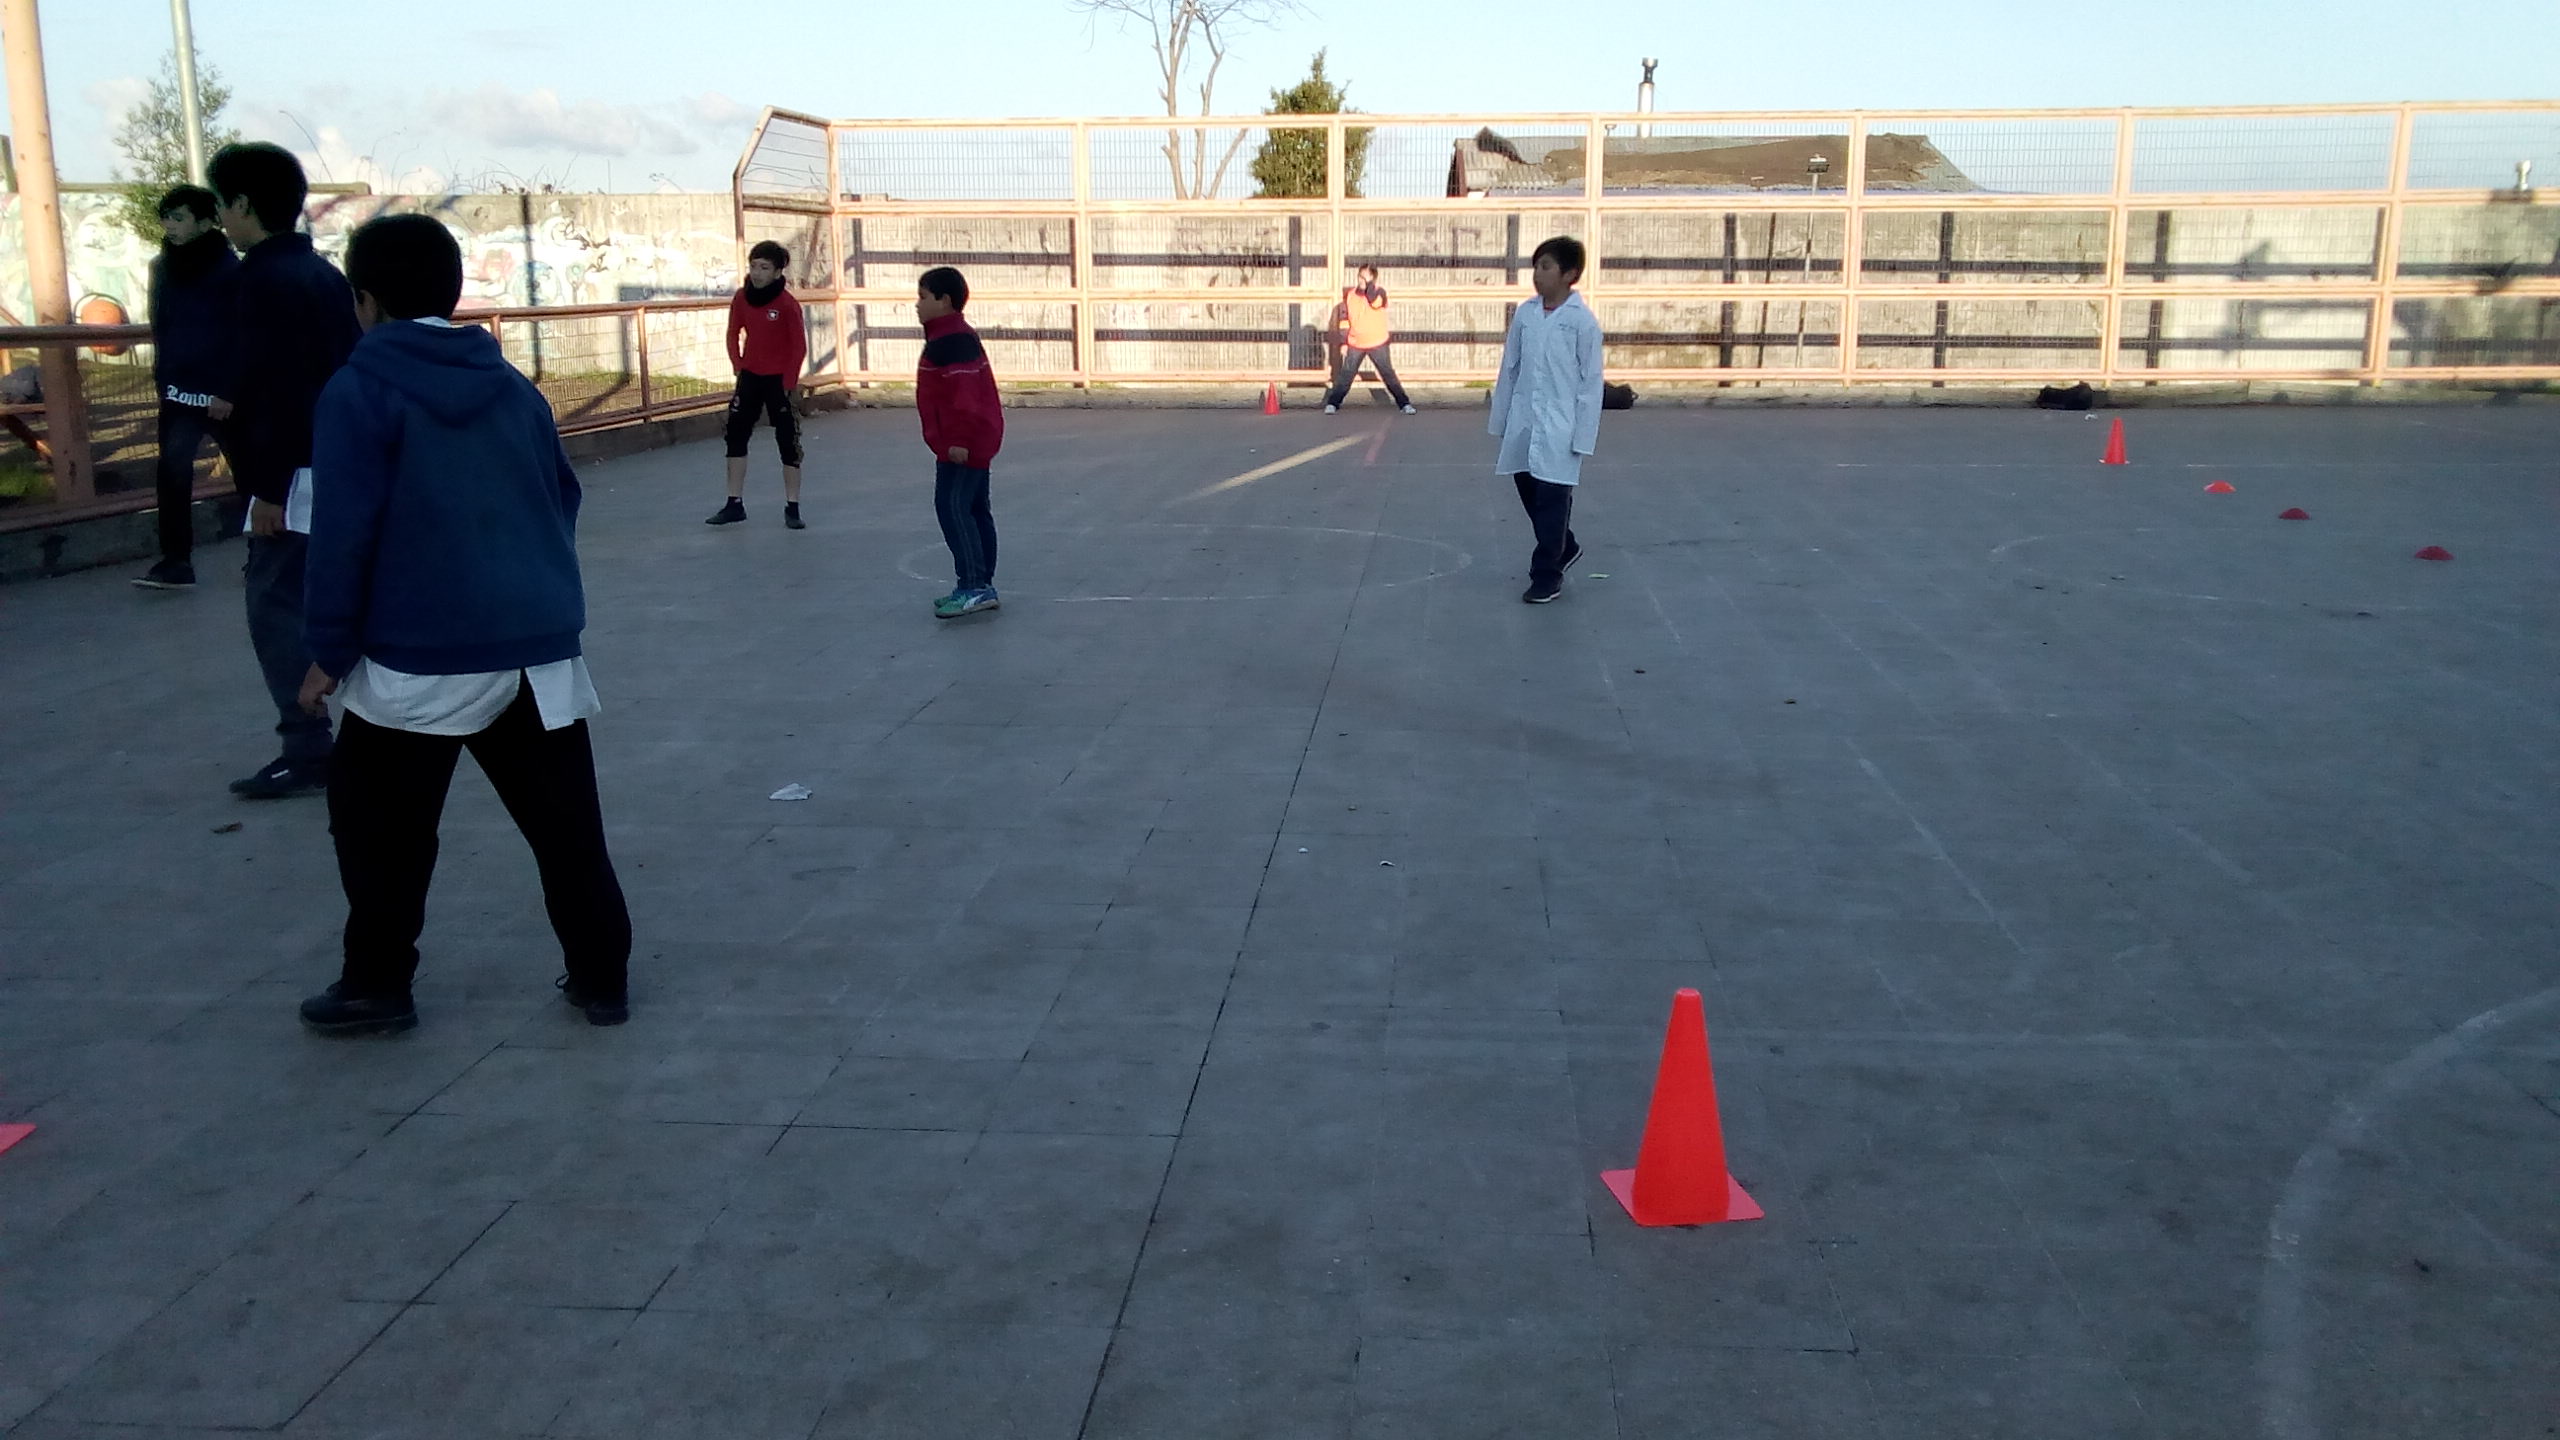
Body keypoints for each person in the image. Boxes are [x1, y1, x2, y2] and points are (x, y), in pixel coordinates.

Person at [294, 213, 632, 1035]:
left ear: (363, 300)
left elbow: (343, 533)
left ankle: (376, 985)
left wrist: (328, 651)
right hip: (537, 648)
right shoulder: (513, 386)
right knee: (566, 829)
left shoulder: (359, 390)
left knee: (379, 829)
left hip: (420, 654)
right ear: (452, 291)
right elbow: (562, 496)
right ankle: (602, 980)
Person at [208, 142, 363, 796]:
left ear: (243, 204)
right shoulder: (323, 276)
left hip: (290, 480)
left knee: (275, 607)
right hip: (337, 466)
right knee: (331, 598)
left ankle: (306, 745)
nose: (221, 218)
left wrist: (267, 490)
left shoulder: (257, 282)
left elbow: (273, 394)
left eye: (221, 204)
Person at [132, 185, 237, 591]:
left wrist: (228, 388)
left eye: (178, 217)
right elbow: (162, 324)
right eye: (166, 217)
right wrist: (164, 379)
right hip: (178, 391)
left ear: (206, 221)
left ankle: (265, 553)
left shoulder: (230, 269)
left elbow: (240, 331)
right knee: (173, 475)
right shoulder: (161, 267)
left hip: (224, 396)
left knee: (251, 475)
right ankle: (176, 562)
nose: (169, 225)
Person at [1489, 235, 1604, 605]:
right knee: (1528, 488)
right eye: (1535, 266)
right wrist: (1501, 419)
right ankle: (1565, 545)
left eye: (1546, 267)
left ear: (1569, 274)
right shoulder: (1526, 314)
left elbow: (1591, 383)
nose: (1537, 275)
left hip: (1561, 425)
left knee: (1553, 499)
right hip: (1525, 419)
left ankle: (1546, 574)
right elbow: (1510, 366)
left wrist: (1582, 436)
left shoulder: (1582, 323)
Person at [916, 265, 1004, 619]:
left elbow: (965, 395)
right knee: (974, 508)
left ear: (944, 301)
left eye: (923, 297)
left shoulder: (952, 340)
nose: (917, 305)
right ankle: (980, 583)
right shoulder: (948, 336)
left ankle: (973, 586)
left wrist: (959, 440)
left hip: (964, 444)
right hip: (969, 439)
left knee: (952, 507)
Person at [705, 239, 809, 529]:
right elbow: (733, 332)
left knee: (788, 441)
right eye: (753, 266)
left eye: (764, 267)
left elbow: (798, 347)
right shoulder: (741, 297)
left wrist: (789, 382)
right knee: (735, 436)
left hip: (779, 381)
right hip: (750, 376)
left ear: (777, 272)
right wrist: (738, 365)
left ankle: (792, 507)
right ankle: (734, 503)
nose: (757, 273)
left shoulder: (787, 304)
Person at [1322, 264, 1415, 415]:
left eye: (1366, 277)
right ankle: (1333, 403)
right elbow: (1344, 320)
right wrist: (1344, 342)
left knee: (1387, 373)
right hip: (1356, 343)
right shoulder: (1350, 295)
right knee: (1346, 374)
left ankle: (1404, 404)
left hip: (1377, 342)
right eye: (1360, 276)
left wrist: (1369, 285)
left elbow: (1374, 302)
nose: (1362, 279)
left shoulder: (1379, 292)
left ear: (1373, 278)